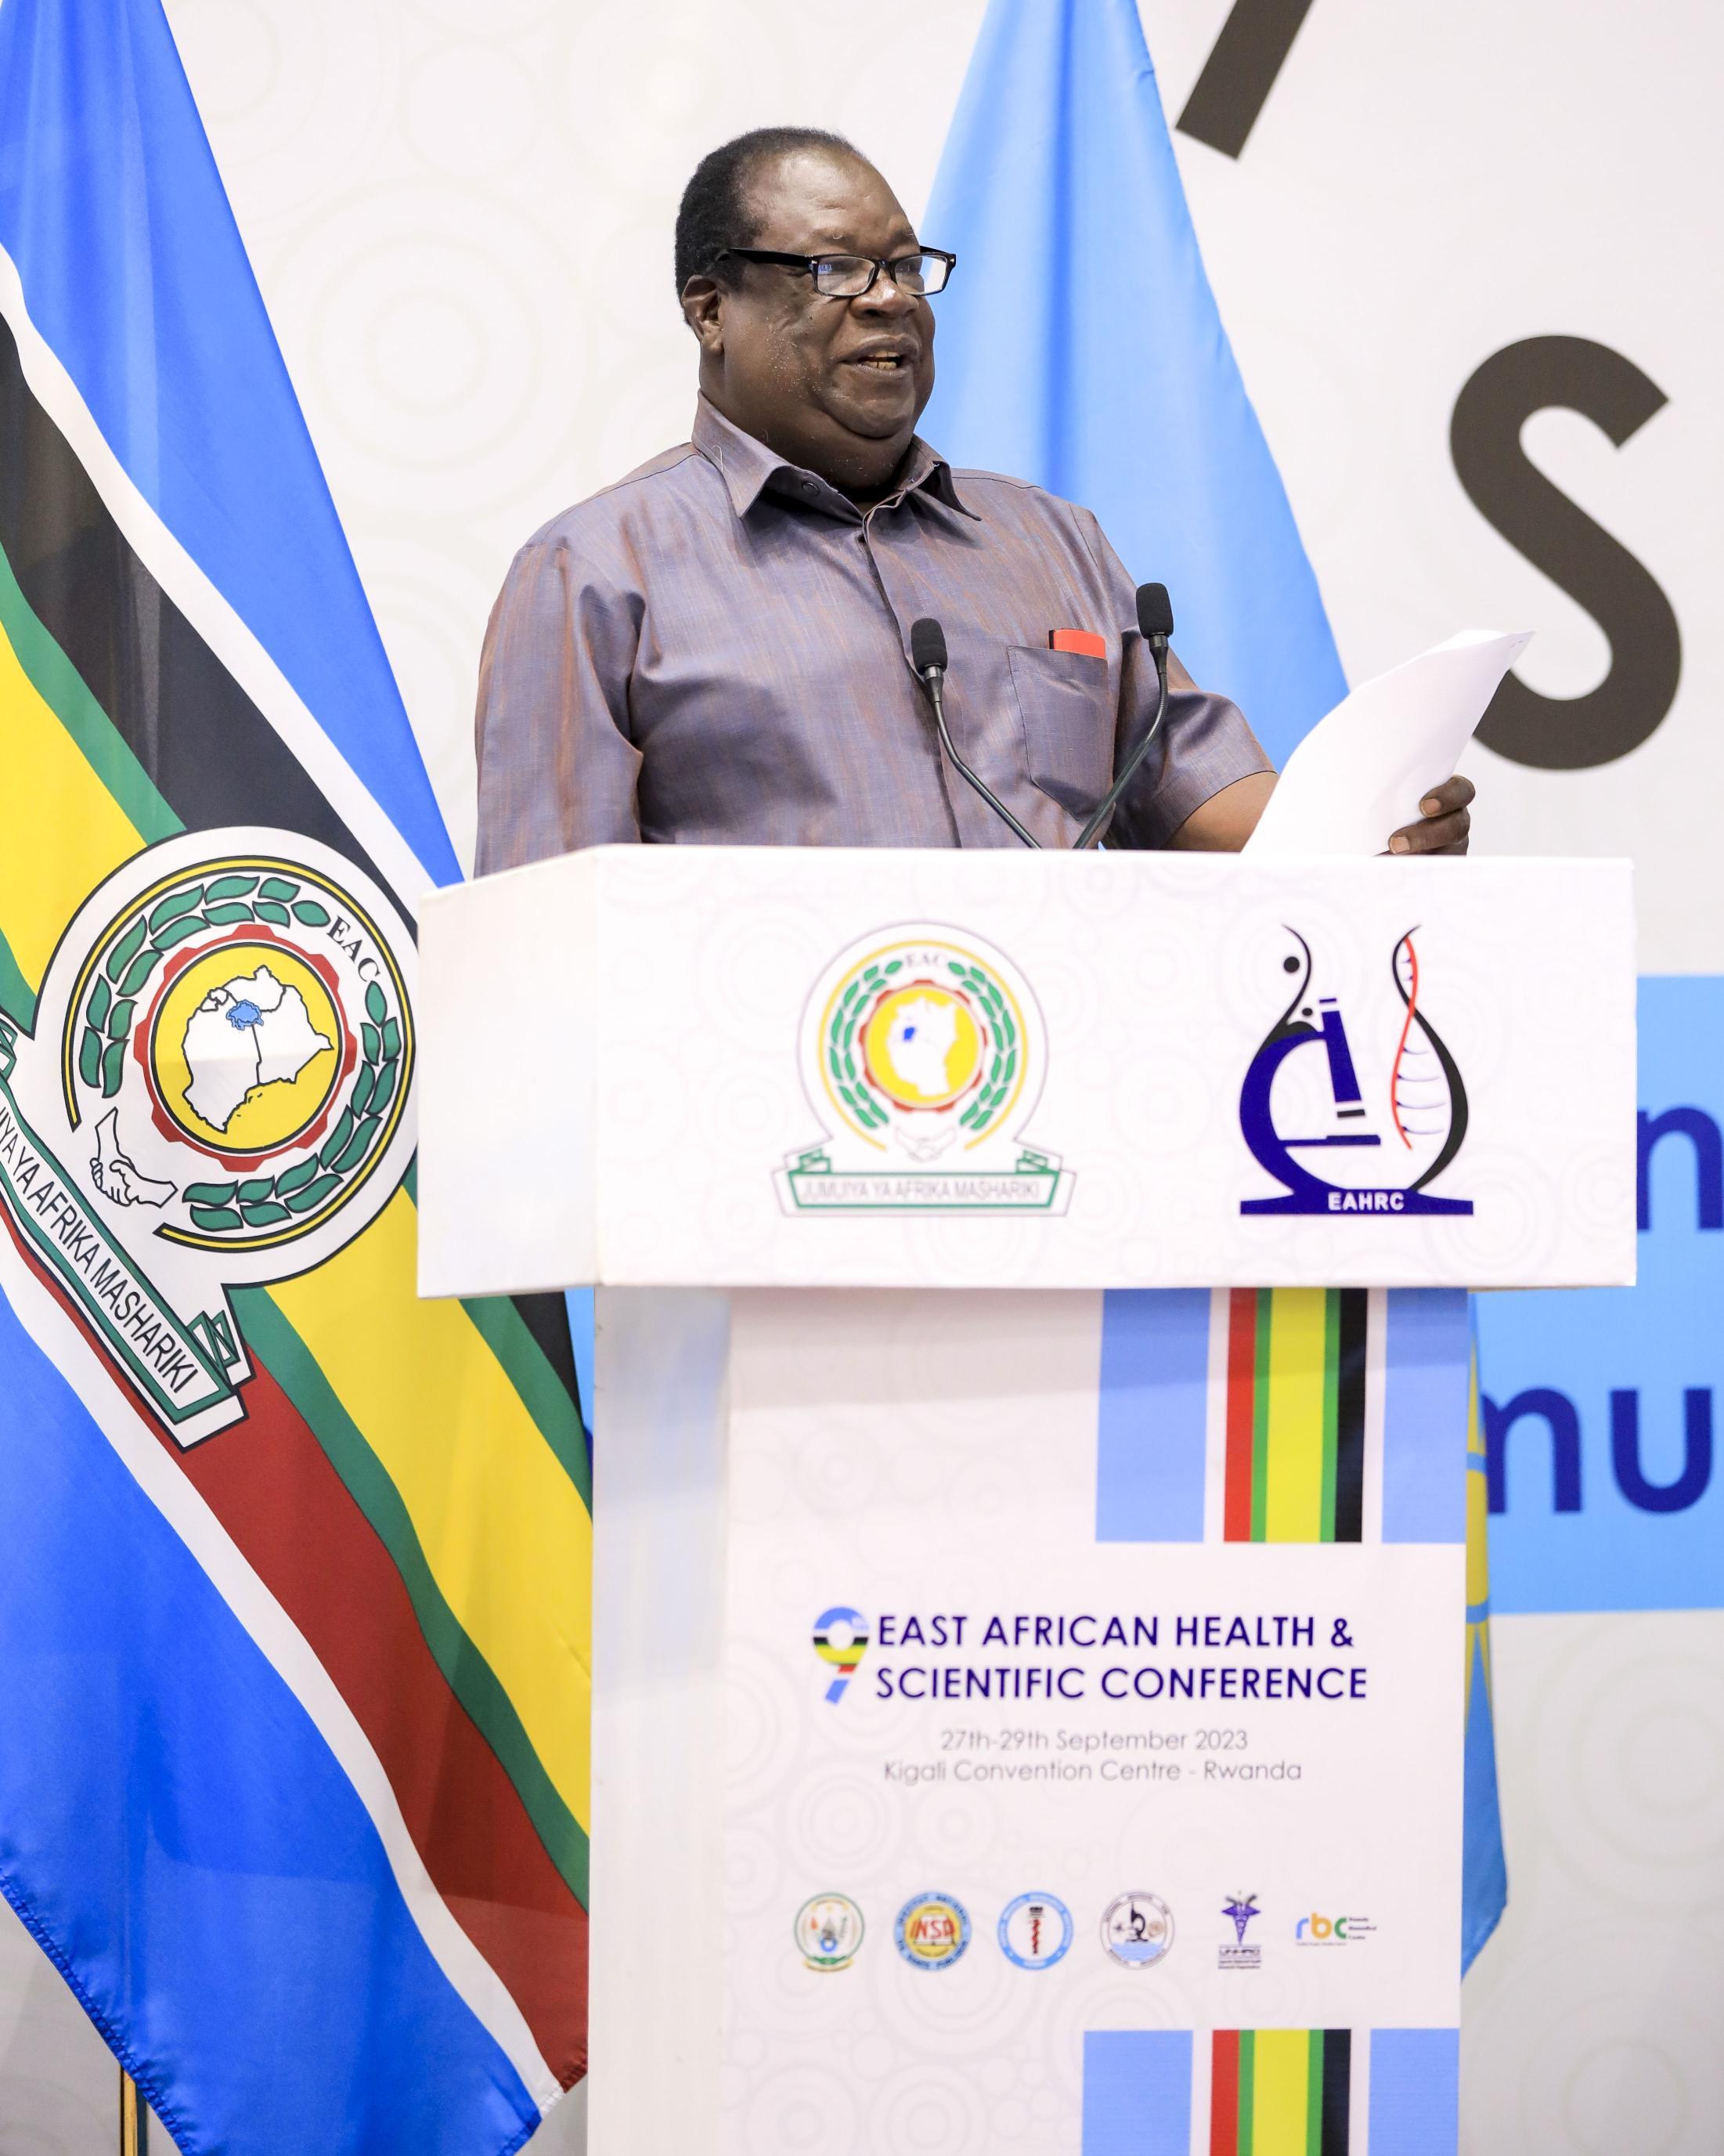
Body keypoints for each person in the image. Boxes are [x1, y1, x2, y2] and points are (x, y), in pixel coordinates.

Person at [474, 126, 1473, 869]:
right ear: (710, 311)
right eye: (836, 269)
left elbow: (1198, 798)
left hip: (1062, 1085)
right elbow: (546, 925)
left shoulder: (1052, 542)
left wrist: (1373, 831)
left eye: (909, 267)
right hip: (770, 1117)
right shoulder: (596, 572)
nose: (891, 297)